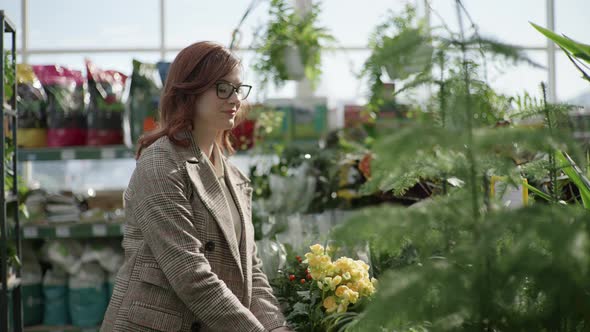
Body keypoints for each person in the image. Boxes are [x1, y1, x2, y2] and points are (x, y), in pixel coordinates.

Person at [101, 41, 292, 332]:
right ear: (190, 90)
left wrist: (278, 327)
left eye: (238, 89)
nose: (235, 99)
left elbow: (252, 272)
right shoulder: (160, 164)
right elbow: (189, 274)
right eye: (222, 88)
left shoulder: (235, 177)